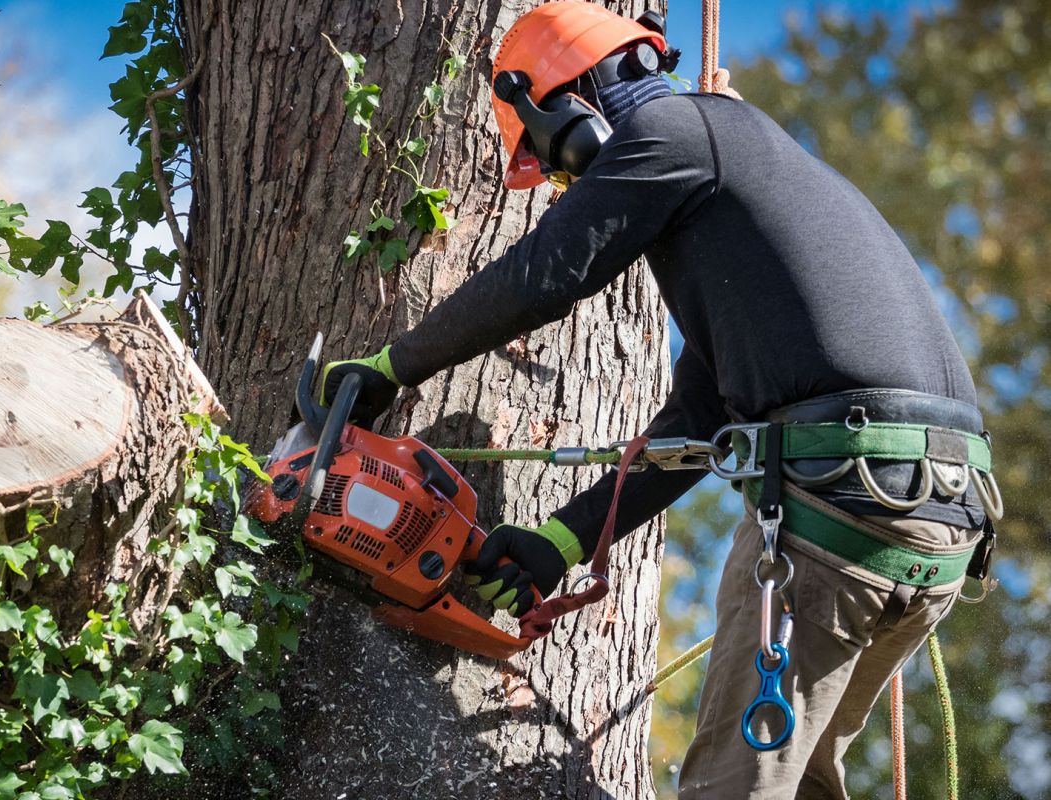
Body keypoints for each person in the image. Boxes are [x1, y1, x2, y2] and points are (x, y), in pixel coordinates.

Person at [319, 3, 999, 798]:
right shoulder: (743, 188)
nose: (569, 185)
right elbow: (701, 422)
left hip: (838, 516)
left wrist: (390, 367)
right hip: (936, 527)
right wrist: (559, 544)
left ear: (568, 109)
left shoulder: (675, 134)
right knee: (800, 785)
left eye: (558, 164)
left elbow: (544, 276)